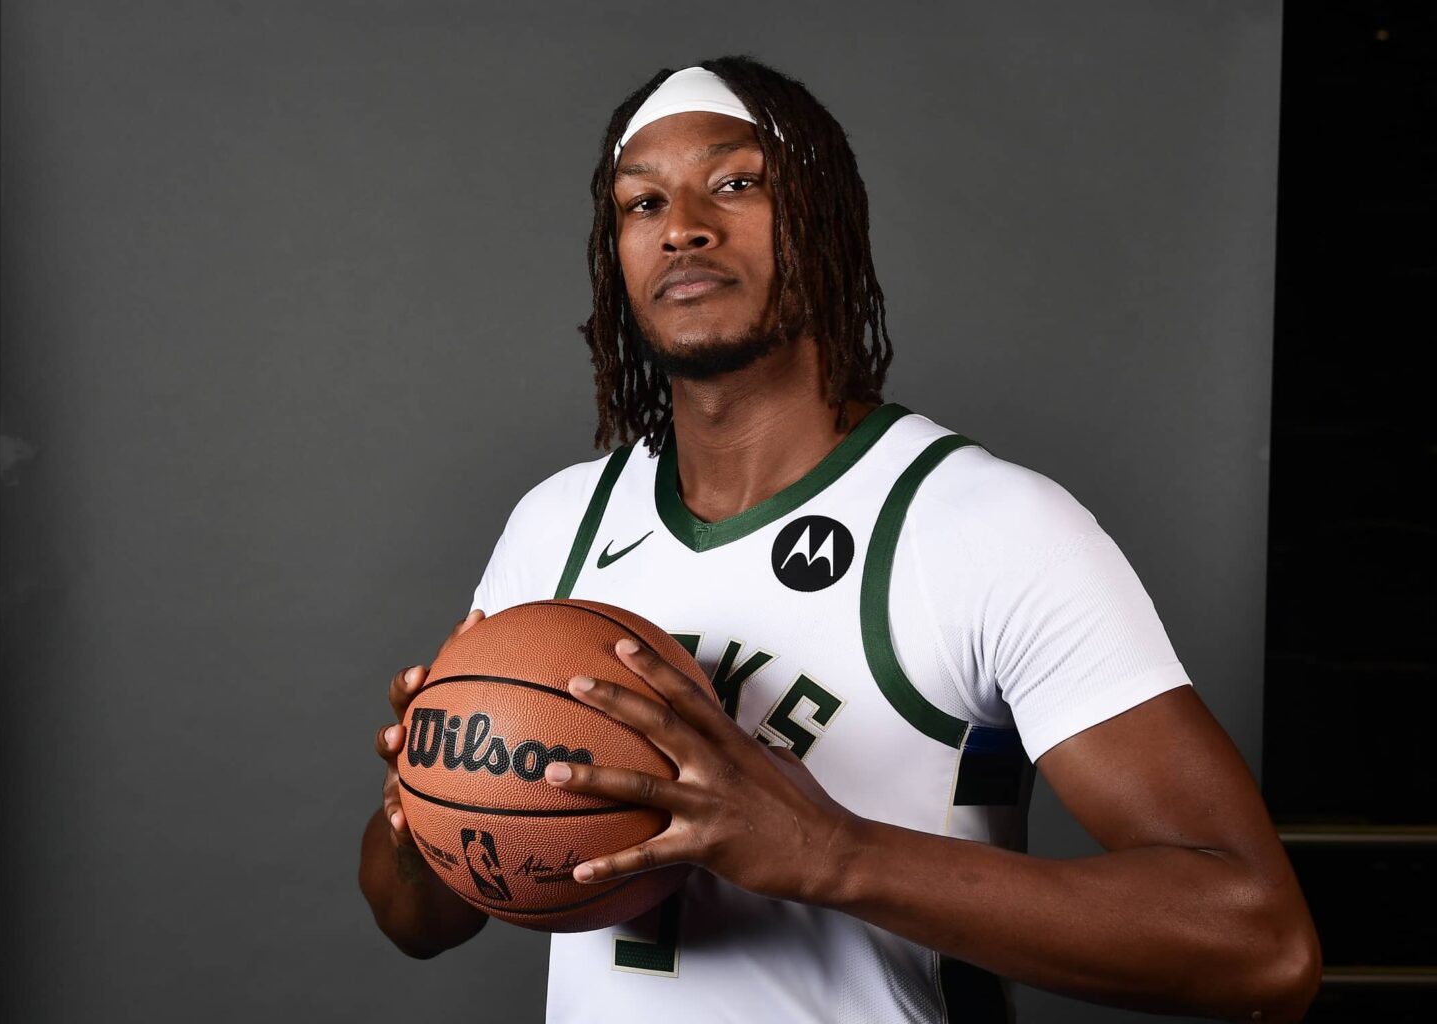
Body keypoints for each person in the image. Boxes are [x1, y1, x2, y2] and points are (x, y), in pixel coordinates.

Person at [359, 56, 1320, 1023]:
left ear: (824, 222)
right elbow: (419, 923)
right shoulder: (560, 522)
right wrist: (429, 812)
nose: (683, 224)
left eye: (736, 183)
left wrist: (835, 852)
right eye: (641, 203)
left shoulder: (983, 525)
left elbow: (1261, 944)